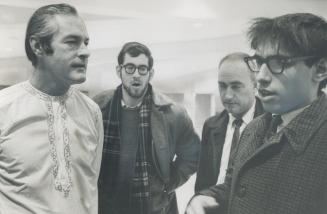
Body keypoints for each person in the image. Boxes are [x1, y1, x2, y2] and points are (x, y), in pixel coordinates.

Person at [185, 13, 327, 214]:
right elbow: (239, 184)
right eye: (259, 62)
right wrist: (207, 197)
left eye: (279, 62)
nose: (261, 77)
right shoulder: (254, 128)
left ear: (320, 69)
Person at [0, 4, 103, 214]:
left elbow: (91, 190)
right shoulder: (4, 108)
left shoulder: (92, 112)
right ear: (38, 46)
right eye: (72, 42)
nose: (85, 52)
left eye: (85, 42)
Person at [94, 42, 200, 214]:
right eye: (130, 68)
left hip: (153, 208)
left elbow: (192, 156)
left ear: (150, 74)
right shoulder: (98, 107)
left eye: (142, 69)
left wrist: (167, 183)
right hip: (105, 206)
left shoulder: (173, 114)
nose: (136, 75)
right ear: (118, 71)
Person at [194, 52, 264, 193]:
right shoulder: (211, 126)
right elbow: (203, 181)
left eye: (236, 86)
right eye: (222, 86)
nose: (227, 95)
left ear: (255, 85)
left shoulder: (273, 123)